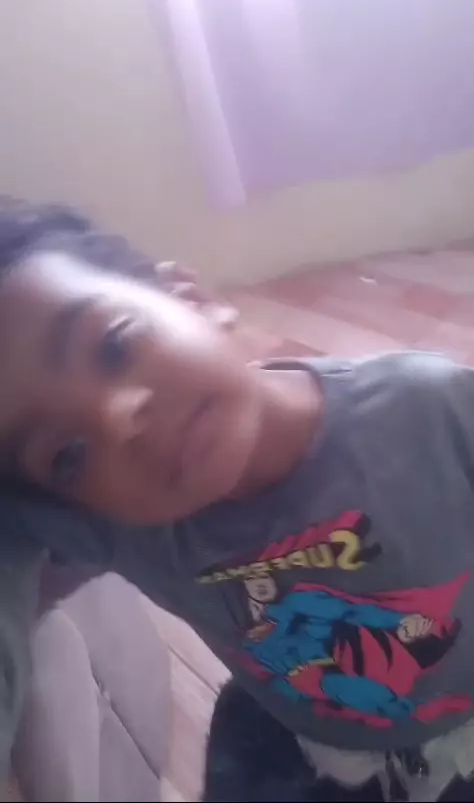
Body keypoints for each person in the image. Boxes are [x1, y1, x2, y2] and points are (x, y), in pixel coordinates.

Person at [0, 198, 474, 802]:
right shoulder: (120, 523)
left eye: (114, 348)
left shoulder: (427, 409)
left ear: (188, 297)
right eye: (69, 455)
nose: (118, 421)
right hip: (311, 747)